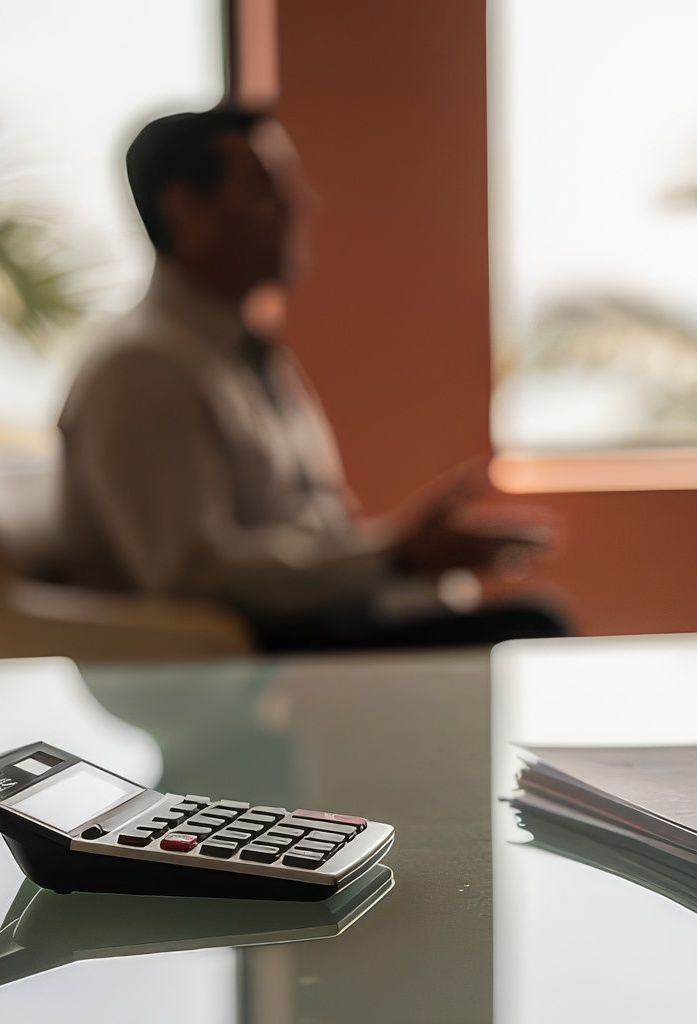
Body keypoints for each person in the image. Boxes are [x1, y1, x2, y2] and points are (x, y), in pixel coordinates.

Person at [50, 107, 566, 650]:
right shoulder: (141, 369)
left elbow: (313, 529)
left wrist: (404, 554)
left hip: (307, 632)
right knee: (530, 627)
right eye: (267, 192)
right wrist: (396, 556)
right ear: (186, 211)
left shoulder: (246, 354)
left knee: (512, 620)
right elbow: (193, 576)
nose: (301, 206)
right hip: (247, 663)